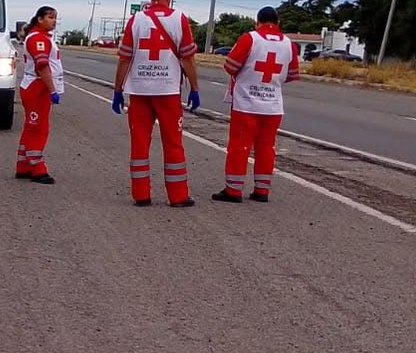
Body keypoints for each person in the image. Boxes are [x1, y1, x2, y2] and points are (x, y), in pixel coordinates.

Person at [112, 0, 200, 207]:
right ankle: (178, 196)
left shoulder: (136, 20)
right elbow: (188, 58)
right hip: (168, 91)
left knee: (139, 143)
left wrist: (117, 90)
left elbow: (124, 58)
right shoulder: (179, 19)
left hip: (139, 91)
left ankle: (141, 195)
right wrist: (194, 88)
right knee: (173, 143)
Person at [212, 6, 299, 203]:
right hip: (273, 106)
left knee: (239, 146)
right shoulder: (289, 44)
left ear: (257, 22)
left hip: (246, 104)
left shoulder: (250, 38)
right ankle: (262, 190)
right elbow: (292, 75)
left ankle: (233, 190)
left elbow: (230, 66)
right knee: (267, 147)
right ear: (278, 23)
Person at [16, 6, 64, 185]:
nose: (54, 21)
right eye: (50, 17)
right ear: (40, 19)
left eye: (55, 17)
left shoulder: (42, 37)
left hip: (37, 86)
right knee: (38, 128)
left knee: (31, 127)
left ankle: (23, 165)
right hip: (37, 87)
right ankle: (37, 168)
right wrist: (53, 90)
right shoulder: (38, 39)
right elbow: (42, 67)